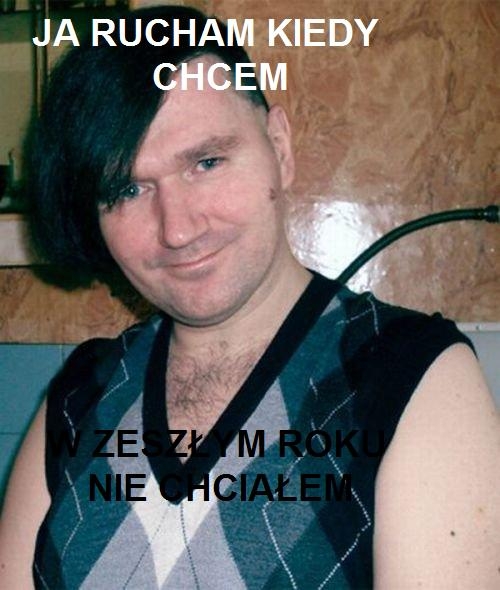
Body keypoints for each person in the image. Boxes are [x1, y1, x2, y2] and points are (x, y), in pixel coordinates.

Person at [0, 5, 498, 589]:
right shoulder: (79, 396)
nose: (177, 229)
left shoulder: (409, 376)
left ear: (279, 148)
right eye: (128, 188)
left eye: (206, 162)